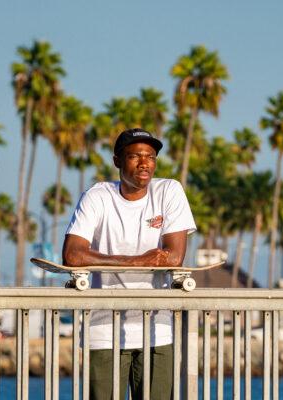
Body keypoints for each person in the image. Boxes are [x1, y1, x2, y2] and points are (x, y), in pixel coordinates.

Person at [62, 128, 197, 400]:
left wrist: (105, 259)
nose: (144, 162)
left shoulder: (169, 191)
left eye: (150, 156)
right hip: (102, 328)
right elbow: (72, 255)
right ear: (117, 161)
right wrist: (138, 260)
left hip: (158, 328)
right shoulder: (98, 196)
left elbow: (173, 257)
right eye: (134, 156)